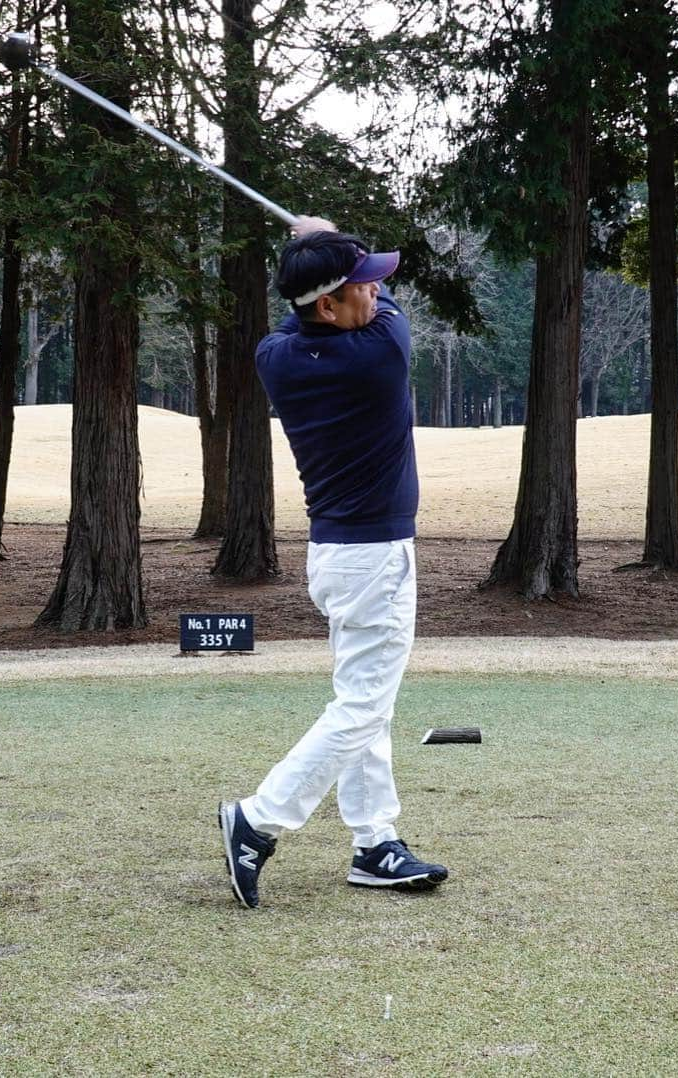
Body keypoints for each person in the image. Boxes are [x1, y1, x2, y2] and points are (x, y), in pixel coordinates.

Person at [218, 215, 448, 909]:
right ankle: (258, 820)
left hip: (337, 556)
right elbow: (393, 314)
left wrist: (309, 249)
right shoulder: (380, 354)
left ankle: (374, 842)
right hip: (374, 560)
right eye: (362, 288)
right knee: (361, 706)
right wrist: (322, 233)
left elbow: (302, 319)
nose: (377, 296)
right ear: (328, 305)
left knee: (365, 700)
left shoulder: (276, 355)